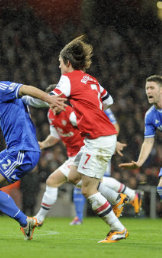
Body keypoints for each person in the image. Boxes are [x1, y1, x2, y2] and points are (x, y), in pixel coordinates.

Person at [0, 60, 66, 240]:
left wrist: (50, 98)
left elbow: (26, 89)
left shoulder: (0, 88)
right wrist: (48, 101)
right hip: (14, 149)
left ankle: (24, 221)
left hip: (23, 150)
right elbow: (29, 100)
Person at [52, 35, 128, 243]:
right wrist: (92, 111)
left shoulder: (68, 78)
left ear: (68, 63)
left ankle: (118, 228)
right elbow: (109, 100)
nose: (59, 67)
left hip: (98, 138)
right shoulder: (91, 79)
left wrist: (26, 96)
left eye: (60, 63)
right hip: (100, 136)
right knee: (75, 177)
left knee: (88, 189)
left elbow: (54, 98)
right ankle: (117, 197)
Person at [24, 86, 129, 228]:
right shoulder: (51, 114)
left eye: (53, 101)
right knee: (85, 184)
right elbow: (55, 136)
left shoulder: (72, 115)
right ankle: (116, 199)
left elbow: (93, 127)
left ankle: (39, 219)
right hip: (74, 156)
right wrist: (43, 144)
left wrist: (111, 141)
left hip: (83, 153)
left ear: (61, 100)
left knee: (53, 181)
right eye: (49, 101)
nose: (51, 105)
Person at [119, 75, 162, 201]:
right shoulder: (150, 115)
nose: (148, 91)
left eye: (152, 88)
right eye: (147, 88)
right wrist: (139, 162)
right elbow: (148, 141)